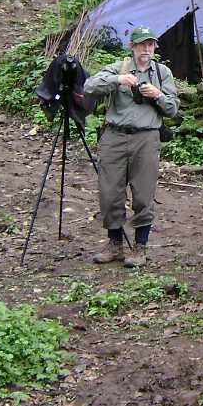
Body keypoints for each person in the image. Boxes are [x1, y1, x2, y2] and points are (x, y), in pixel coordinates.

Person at [81, 26, 179, 267]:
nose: (146, 49)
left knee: (143, 194)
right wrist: (118, 80)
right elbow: (89, 86)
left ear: (155, 47)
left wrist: (157, 95)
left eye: (150, 44)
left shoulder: (162, 73)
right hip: (114, 137)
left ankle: (140, 247)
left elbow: (173, 109)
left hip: (146, 139)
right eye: (141, 44)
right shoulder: (119, 67)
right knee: (109, 192)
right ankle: (114, 244)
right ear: (132, 47)